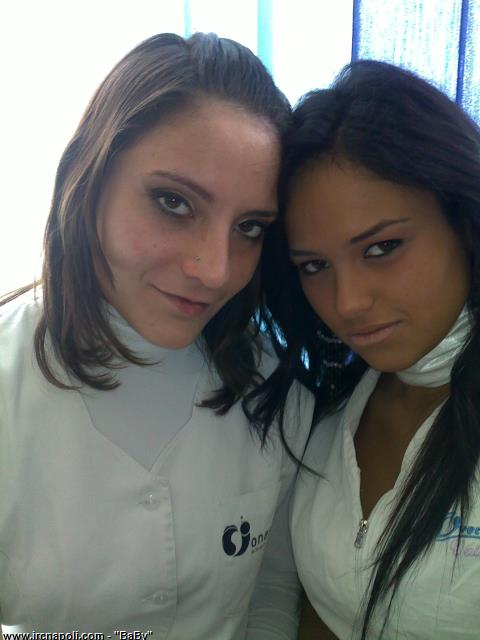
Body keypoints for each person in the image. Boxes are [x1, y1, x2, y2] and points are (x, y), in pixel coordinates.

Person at [0, 32, 313, 638]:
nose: (215, 270)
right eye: (174, 202)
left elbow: (274, 587)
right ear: (90, 178)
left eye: (249, 227)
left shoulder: (275, 389)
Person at [260, 60, 480, 638]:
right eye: (314, 266)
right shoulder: (326, 407)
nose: (348, 303)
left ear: (464, 221)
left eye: (382, 248)